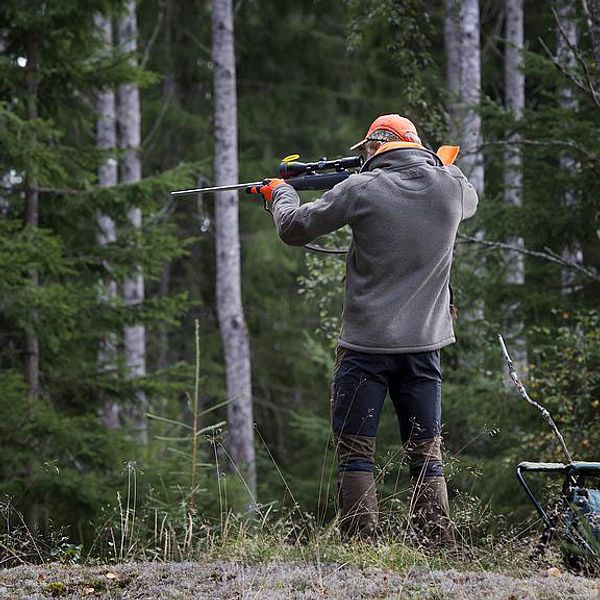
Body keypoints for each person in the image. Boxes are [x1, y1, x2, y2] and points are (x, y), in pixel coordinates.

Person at [258, 114, 478, 544]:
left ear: (377, 146)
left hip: (365, 348)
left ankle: (363, 547)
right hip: (425, 347)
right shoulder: (451, 189)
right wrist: (438, 162)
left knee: (357, 453)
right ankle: (438, 547)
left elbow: (294, 228)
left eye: (367, 151)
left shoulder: (361, 188)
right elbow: (460, 181)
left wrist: (280, 193)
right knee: (426, 454)